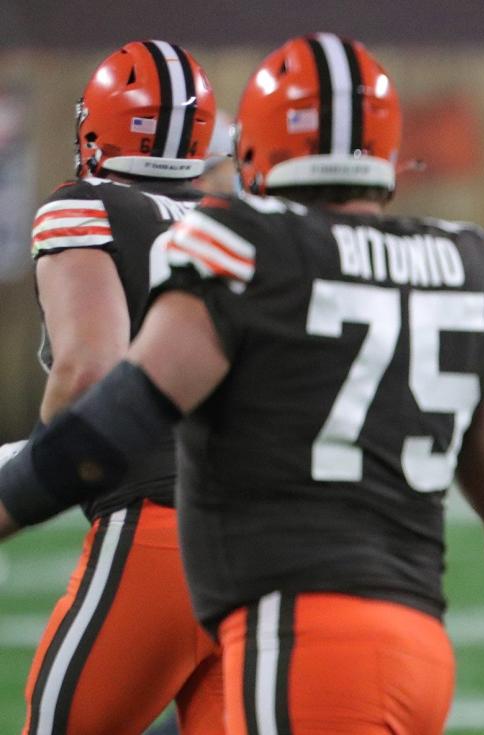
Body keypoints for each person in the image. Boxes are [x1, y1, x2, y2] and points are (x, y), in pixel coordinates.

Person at [0, 33, 484, 735]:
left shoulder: (244, 245)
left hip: (295, 622)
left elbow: (115, 409)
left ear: (256, 145)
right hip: (417, 635)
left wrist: (17, 487)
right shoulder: (469, 260)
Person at [17, 40, 223, 735]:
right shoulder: (238, 226)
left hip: (160, 528)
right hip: (271, 537)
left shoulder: (86, 206)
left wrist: (36, 467)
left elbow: (87, 370)